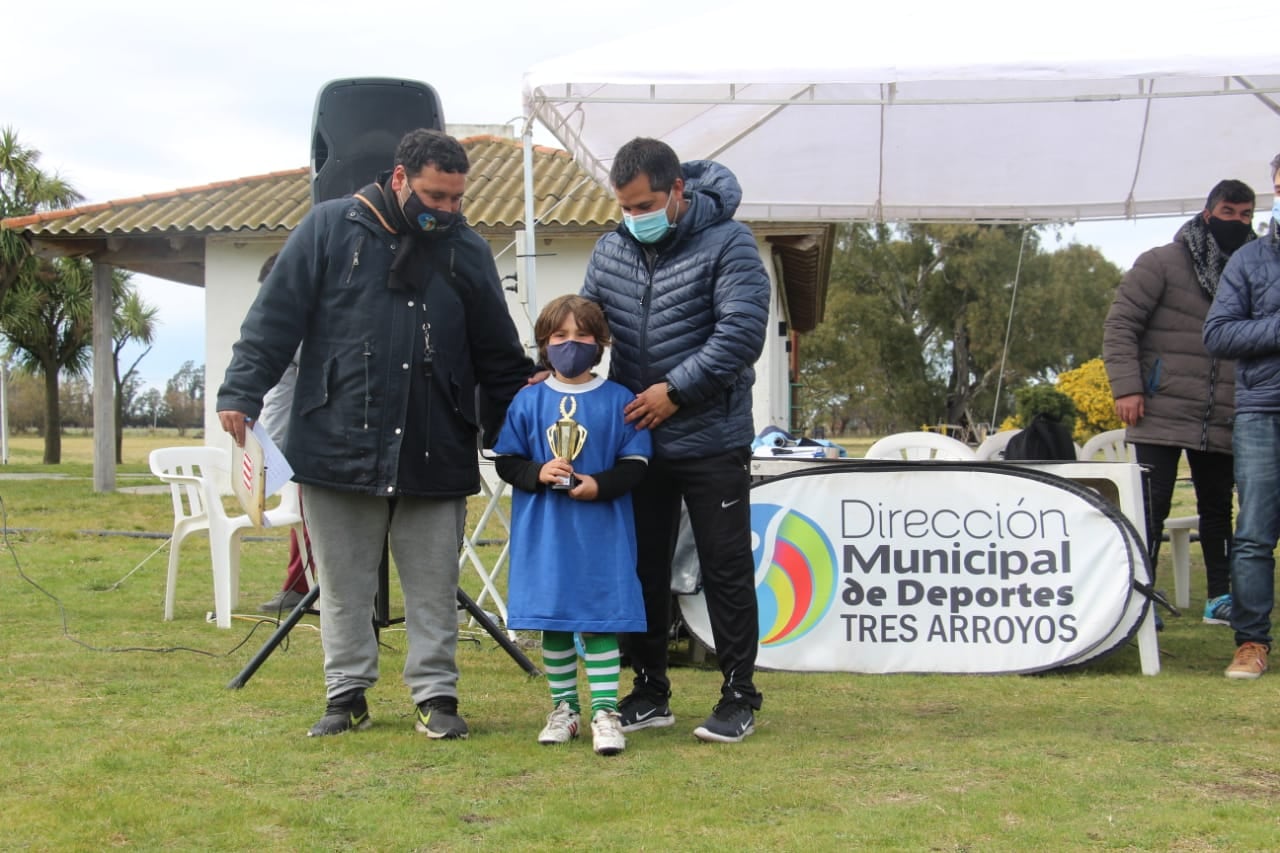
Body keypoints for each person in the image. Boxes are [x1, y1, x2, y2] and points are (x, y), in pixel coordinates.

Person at [216, 129, 536, 736]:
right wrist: (240, 390)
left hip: (436, 441)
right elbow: (274, 318)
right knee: (342, 585)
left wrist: (526, 413)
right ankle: (346, 696)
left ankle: (437, 697)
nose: (446, 209)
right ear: (398, 178)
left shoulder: (465, 249)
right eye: (434, 196)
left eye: (455, 199)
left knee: (434, 586)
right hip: (336, 440)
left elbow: (497, 350)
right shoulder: (328, 228)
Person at [581, 137, 770, 744]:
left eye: (646, 205)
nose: (635, 218)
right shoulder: (610, 249)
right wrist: (556, 367)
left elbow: (741, 333)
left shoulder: (730, 242)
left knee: (725, 569)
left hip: (711, 437)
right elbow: (585, 326)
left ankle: (739, 693)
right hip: (637, 442)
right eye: (626, 208)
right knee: (642, 569)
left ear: (678, 191)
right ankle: (649, 690)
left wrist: (675, 391)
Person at [492, 294, 651, 756]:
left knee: (599, 620)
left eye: (582, 335)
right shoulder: (528, 401)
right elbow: (507, 460)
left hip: (602, 534)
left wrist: (598, 485)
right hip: (546, 535)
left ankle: (605, 711)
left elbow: (636, 464)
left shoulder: (621, 400)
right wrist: (536, 473)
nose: (571, 344)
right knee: (555, 622)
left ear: (600, 342)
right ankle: (564, 710)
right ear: (544, 343)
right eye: (560, 336)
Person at [1103, 179, 1255, 626]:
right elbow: (1121, 326)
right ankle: (1139, 597)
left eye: (1246, 215)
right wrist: (1127, 387)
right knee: (1151, 507)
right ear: (1208, 212)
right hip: (1159, 409)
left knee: (1216, 509)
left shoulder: (1252, 269)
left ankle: (1220, 599)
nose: (1238, 222)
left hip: (1225, 412)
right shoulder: (1161, 263)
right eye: (1229, 212)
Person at [1203, 153, 1280, 679]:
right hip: (1263, 412)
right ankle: (1251, 642)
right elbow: (1218, 334)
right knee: (1253, 534)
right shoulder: (1250, 260)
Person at [251, 252, 312, 614]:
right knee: (305, 509)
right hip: (305, 442)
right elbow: (279, 393)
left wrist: (269, 450)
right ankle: (299, 585)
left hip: (329, 439)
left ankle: (304, 586)